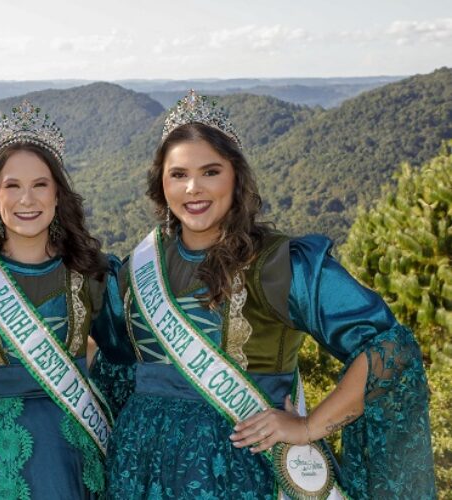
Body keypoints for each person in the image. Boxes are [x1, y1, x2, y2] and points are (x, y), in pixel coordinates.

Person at [105, 91, 436, 499]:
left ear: (236, 176)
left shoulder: (278, 263)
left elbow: (389, 346)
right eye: (178, 174)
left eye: (211, 171)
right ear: (161, 182)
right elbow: (112, 360)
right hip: (141, 467)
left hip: (239, 471)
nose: (193, 188)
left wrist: (310, 425)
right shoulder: (138, 265)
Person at [0, 100, 134, 499]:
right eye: (12, 186)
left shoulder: (94, 274)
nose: (26, 200)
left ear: (57, 195)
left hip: (73, 451)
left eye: (40, 185)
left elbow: (123, 360)